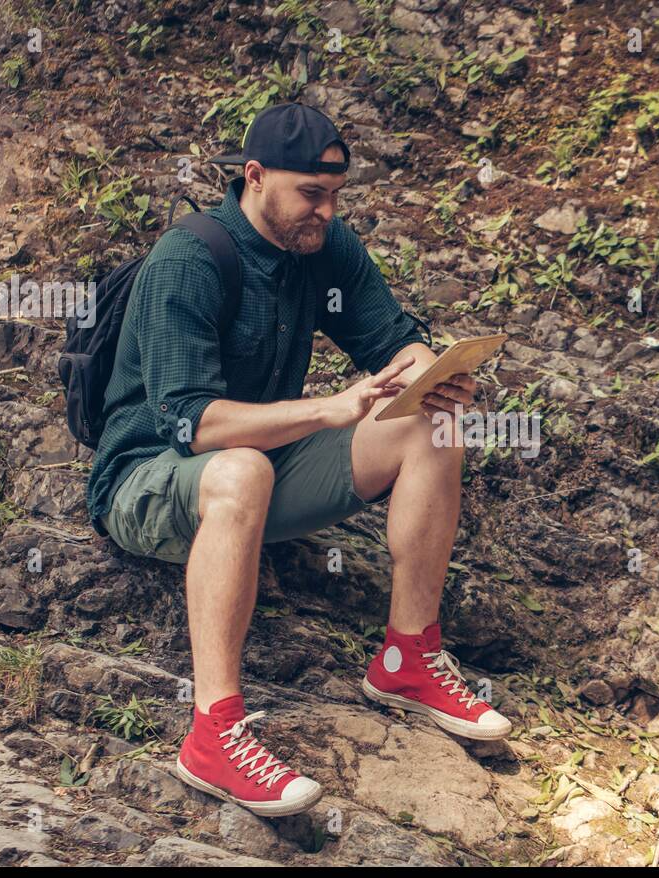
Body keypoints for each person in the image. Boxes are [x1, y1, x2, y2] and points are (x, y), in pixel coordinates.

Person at [84, 103, 511, 817]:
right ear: (254, 178)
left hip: (255, 472)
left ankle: (407, 659)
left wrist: (431, 372)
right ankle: (212, 737)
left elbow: (392, 341)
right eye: (311, 193)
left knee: (431, 428)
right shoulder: (188, 258)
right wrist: (329, 409)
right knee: (241, 467)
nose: (326, 210)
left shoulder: (323, 246)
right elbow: (191, 423)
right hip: (150, 481)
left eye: (336, 194)